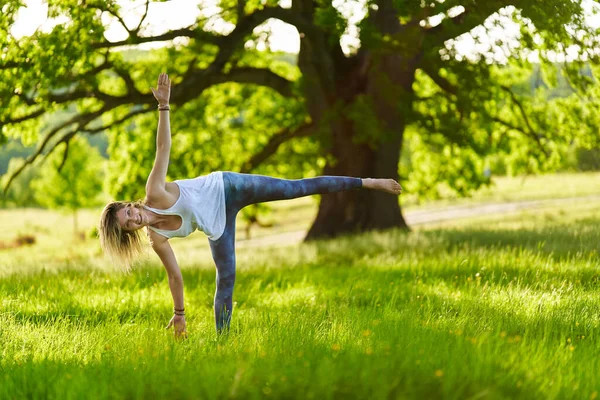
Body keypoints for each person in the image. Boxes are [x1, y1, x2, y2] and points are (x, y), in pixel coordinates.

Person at [98, 73, 403, 337]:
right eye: (128, 224)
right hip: (219, 227)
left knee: (295, 188)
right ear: (129, 232)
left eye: (129, 212)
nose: (134, 218)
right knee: (226, 280)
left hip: (229, 187)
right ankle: (224, 344)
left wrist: (163, 105)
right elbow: (175, 276)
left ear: (129, 204)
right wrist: (180, 314)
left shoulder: (155, 191)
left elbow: (163, 147)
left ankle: (369, 182)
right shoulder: (158, 239)